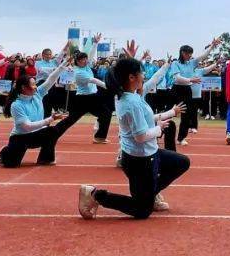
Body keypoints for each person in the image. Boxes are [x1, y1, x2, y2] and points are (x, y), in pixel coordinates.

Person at [78, 57, 190, 219]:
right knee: (142, 210)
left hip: (148, 154)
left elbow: (146, 119)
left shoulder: (129, 96)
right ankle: (96, 195)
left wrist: (171, 113)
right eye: (141, 73)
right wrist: (159, 129)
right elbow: (141, 136)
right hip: (140, 161)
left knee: (181, 162)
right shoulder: (131, 102)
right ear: (131, 78)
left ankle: (151, 194)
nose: (144, 76)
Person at [0, 57, 73, 167]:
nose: (36, 87)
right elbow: (27, 127)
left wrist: (64, 64)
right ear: (23, 87)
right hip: (20, 137)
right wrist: (50, 119)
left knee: (52, 131)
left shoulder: (37, 94)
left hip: (37, 135)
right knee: (11, 165)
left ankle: (45, 159)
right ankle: (5, 151)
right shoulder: (16, 105)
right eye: (33, 84)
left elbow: (51, 79)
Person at [58, 39, 113, 144]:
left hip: (92, 97)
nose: (85, 60)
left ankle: (100, 137)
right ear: (77, 61)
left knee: (106, 113)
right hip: (83, 99)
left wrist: (95, 43)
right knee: (70, 120)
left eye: (85, 59)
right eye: (82, 59)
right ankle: (53, 133)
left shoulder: (87, 66)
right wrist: (108, 86)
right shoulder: (78, 72)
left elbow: (91, 55)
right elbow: (93, 80)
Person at [170, 38, 221, 144]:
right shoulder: (175, 63)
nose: (190, 56)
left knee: (186, 114)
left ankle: (181, 138)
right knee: (170, 112)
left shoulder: (192, 63)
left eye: (191, 54)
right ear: (183, 53)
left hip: (187, 90)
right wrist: (191, 80)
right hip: (177, 89)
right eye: (189, 53)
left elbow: (204, 56)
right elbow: (177, 78)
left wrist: (212, 46)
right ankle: (159, 132)